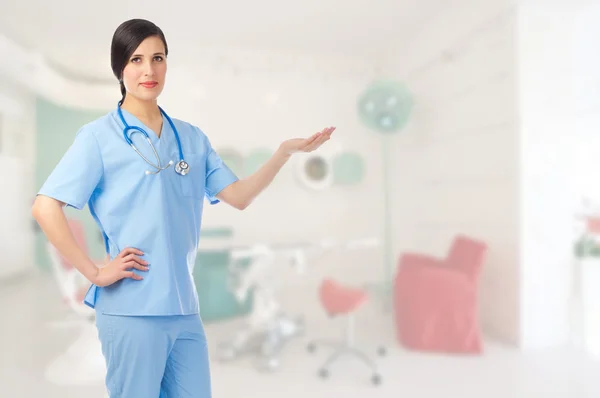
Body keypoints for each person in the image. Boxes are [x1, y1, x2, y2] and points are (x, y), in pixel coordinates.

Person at [32, 18, 335, 398]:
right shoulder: (98, 137)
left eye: (157, 58)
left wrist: (284, 153)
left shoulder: (191, 137)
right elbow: (46, 207)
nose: (148, 69)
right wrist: (95, 271)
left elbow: (239, 196)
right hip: (131, 308)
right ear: (120, 68)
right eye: (136, 59)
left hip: (183, 308)